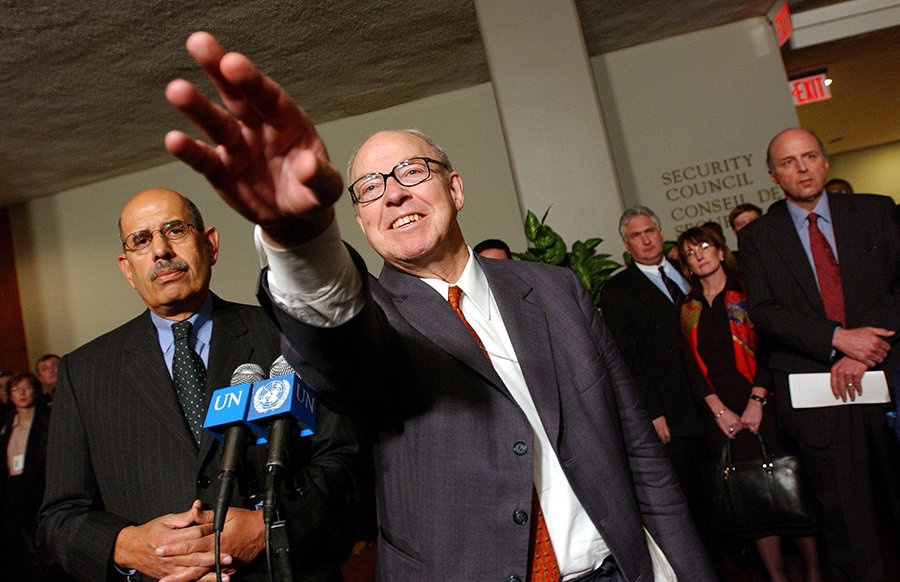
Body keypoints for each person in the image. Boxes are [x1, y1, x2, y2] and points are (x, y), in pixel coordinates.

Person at [162, 31, 717, 582]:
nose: (394, 194)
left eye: (411, 172)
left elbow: (639, 450)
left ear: (454, 188)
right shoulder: (372, 323)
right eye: (371, 188)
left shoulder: (555, 290)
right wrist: (302, 239)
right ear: (360, 223)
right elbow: (342, 354)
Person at [39, 188, 366, 582]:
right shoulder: (84, 372)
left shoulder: (287, 335)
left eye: (174, 230)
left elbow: (346, 461)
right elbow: (59, 518)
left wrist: (269, 527)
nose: (160, 250)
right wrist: (128, 545)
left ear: (209, 244)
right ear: (128, 268)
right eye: (141, 240)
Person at [738, 127, 900, 582]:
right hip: (818, 396)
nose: (802, 168)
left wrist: (863, 349)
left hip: (887, 380)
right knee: (847, 525)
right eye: (788, 162)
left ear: (826, 162)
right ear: (773, 175)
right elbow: (765, 313)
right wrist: (837, 339)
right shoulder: (758, 238)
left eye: (809, 156)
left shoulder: (875, 211)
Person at [676, 226, 821, 582]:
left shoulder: (747, 294)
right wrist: (719, 411)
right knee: (751, 499)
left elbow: (771, 350)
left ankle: (816, 573)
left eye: (705, 247)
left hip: (765, 406)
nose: (700, 255)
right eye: (691, 254)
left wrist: (756, 401)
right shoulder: (687, 309)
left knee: (789, 491)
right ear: (688, 267)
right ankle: (776, 576)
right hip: (721, 417)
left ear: (721, 251)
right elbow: (690, 368)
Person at [599, 208, 708, 543]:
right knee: (694, 499)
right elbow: (627, 360)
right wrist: (653, 412)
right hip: (672, 411)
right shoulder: (617, 290)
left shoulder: (691, 271)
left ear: (662, 234)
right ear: (626, 244)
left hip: (714, 396)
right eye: (636, 235)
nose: (645, 240)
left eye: (650, 231)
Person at [2, 372, 52, 581]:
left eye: (27, 388)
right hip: (12, 489)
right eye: (16, 389)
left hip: (41, 487)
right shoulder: (5, 424)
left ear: (36, 390)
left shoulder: (48, 419)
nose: (21, 394)